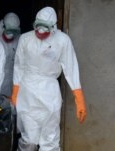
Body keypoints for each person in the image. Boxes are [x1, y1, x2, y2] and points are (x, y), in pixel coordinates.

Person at [11, 7, 87, 151]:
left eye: (44, 31)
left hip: (49, 92)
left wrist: (79, 99)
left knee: (50, 139)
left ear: (53, 27)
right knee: (29, 139)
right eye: (37, 29)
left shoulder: (62, 40)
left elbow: (71, 68)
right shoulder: (25, 39)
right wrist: (15, 92)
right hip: (28, 92)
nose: (40, 34)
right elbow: (19, 66)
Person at [0, 12, 21, 98]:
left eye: (13, 32)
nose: (11, 35)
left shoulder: (20, 39)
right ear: (2, 26)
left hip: (11, 83)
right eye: (8, 31)